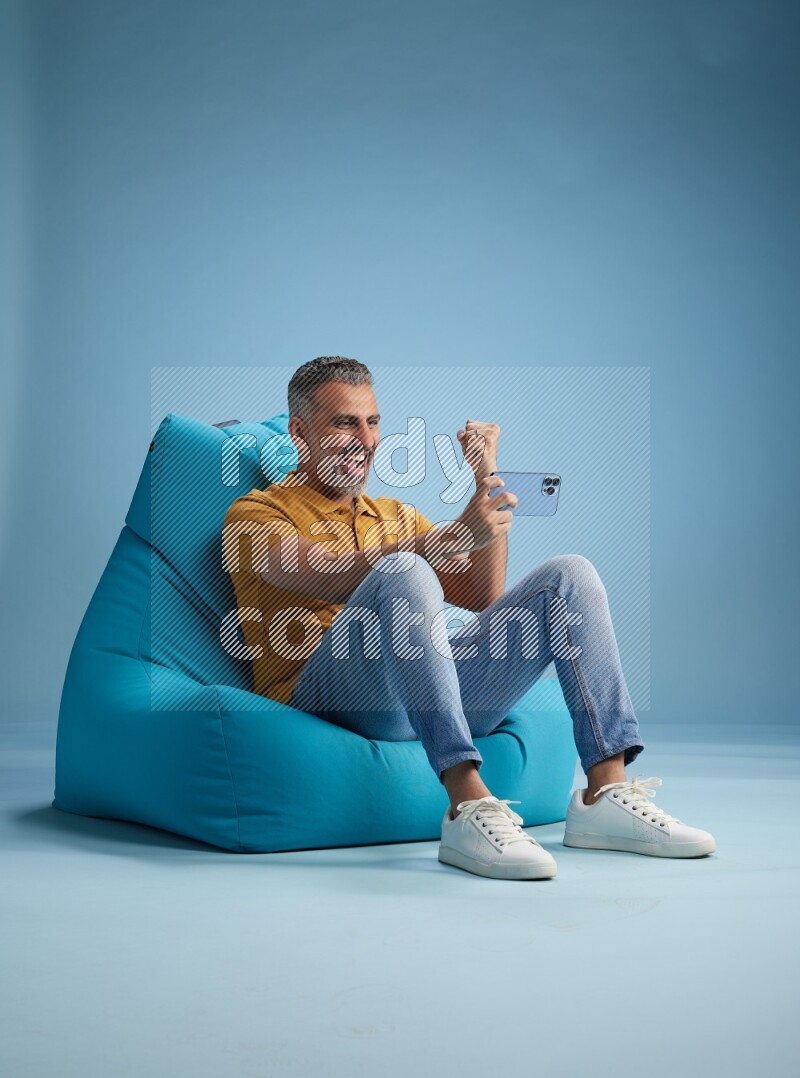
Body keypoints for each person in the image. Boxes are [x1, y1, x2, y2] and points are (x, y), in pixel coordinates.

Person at [223, 356, 715, 880]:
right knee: (405, 568)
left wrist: (485, 479)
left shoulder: (393, 515)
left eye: (372, 422)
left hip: (422, 691)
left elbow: (482, 595)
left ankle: (606, 793)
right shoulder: (254, 514)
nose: (365, 439)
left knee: (568, 576)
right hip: (330, 697)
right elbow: (322, 572)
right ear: (300, 431)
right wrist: (443, 540)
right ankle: (466, 804)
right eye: (344, 422)